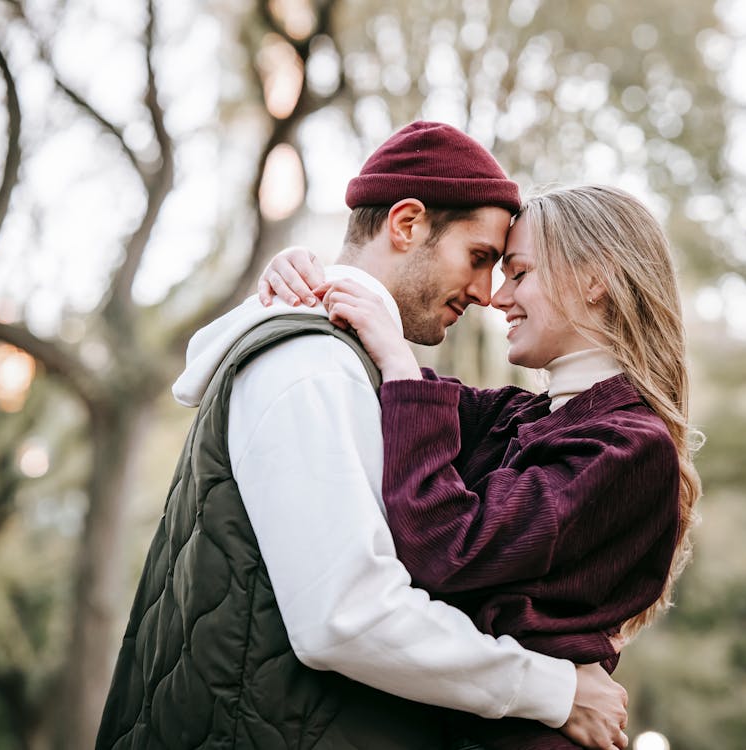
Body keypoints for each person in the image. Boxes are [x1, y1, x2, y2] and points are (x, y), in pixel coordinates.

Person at [96, 123, 630, 750]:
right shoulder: (312, 366)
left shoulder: (348, 366)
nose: (488, 294)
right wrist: (555, 691)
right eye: (480, 258)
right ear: (406, 224)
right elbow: (346, 616)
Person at [259, 183, 703, 749]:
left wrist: (399, 358)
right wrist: (311, 277)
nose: (498, 297)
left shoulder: (629, 448)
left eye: (519, 272)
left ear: (597, 279)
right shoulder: (520, 416)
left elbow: (449, 548)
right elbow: (402, 398)